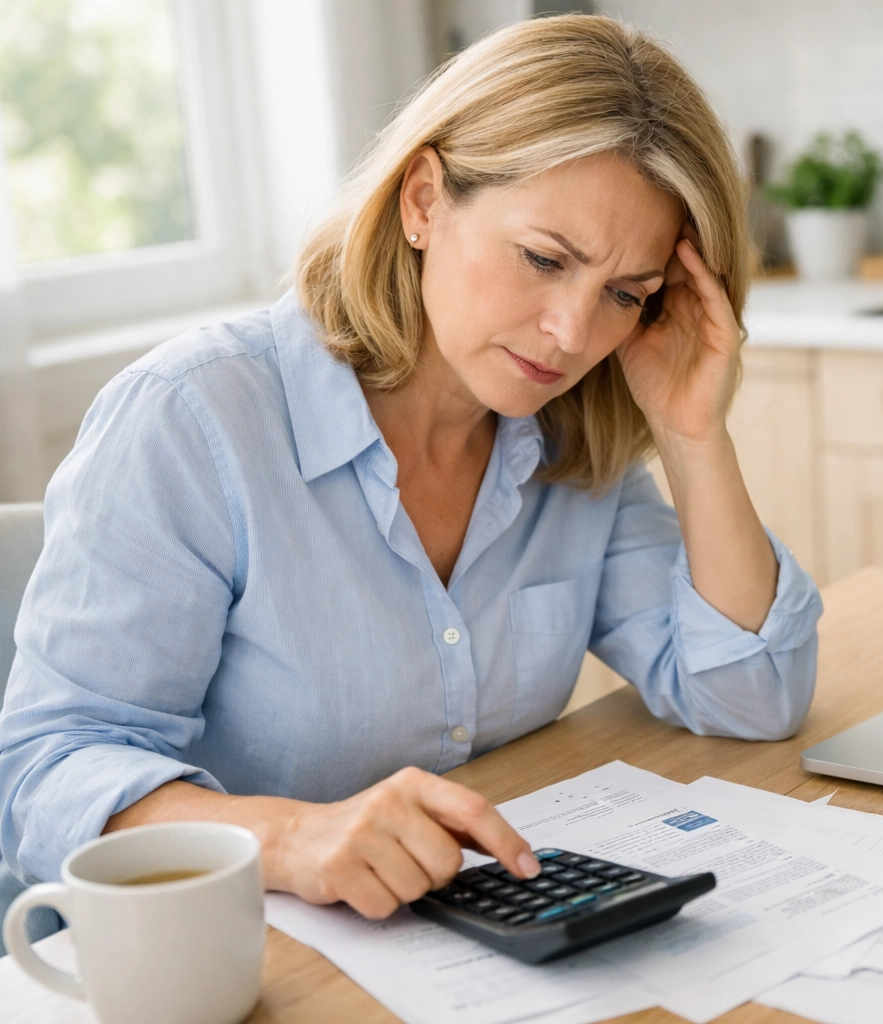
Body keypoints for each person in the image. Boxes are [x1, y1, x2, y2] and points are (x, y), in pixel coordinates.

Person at [0, 14, 820, 932]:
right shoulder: (194, 421)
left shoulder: (565, 443)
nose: (573, 334)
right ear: (424, 199)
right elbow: (48, 771)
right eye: (545, 260)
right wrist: (290, 837)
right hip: (226, 954)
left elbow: (751, 696)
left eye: (625, 294)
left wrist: (692, 433)